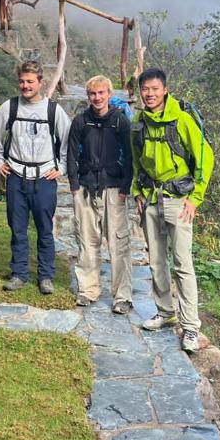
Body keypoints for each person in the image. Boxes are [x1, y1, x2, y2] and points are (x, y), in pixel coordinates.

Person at [131, 68, 214, 352]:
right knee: (156, 260)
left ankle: (191, 327)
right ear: (140, 91)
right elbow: (136, 159)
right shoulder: (140, 121)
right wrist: (138, 191)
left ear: (165, 89)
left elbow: (206, 157)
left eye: (155, 89)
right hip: (151, 197)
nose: (150, 94)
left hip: (179, 199)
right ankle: (165, 312)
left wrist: (196, 198)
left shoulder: (182, 120)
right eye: (145, 89)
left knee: (182, 263)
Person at [0, 60, 71, 295]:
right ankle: (19, 273)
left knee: (45, 229)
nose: (25, 86)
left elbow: (68, 141)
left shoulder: (53, 110)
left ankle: (46, 276)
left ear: (40, 82)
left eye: (30, 81)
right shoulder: (9, 108)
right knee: (18, 229)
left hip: (44, 178)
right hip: (16, 177)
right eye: (21, 81)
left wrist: (63, 167)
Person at [68, 75, 133, 312]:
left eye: (101, 93)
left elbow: (130, 154)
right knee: (86, 240)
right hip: (86, 187)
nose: (97, 98)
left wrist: (127, 186)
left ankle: (122, 296)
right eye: (92, 94)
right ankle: (88, 289)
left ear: (109, 94)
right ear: (88, 96)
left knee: (118, 244)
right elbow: (72, 154)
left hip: (114, 188)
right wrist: (74, 184)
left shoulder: (120, 121)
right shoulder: (80, 122)